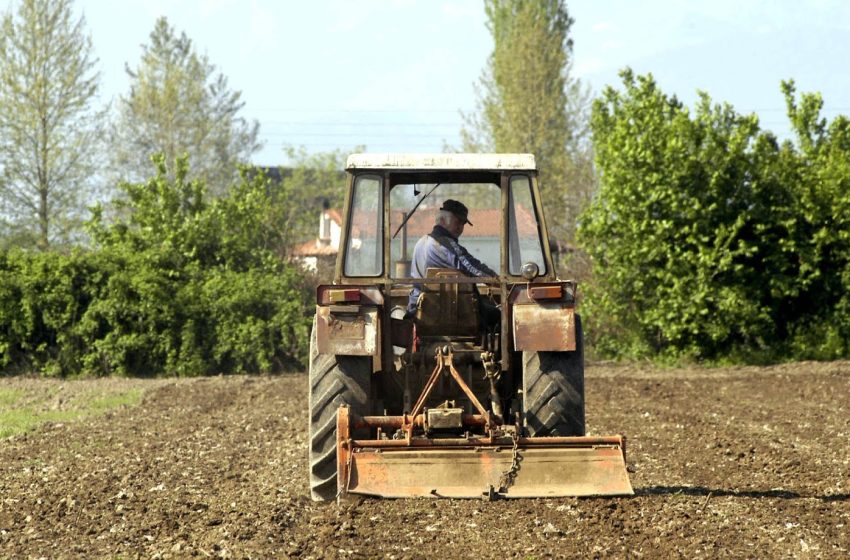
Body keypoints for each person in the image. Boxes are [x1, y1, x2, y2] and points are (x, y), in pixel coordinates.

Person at [406, 200, 499, 327]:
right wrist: (498, 281)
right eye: (457, 222)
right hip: (443, 310)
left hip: (419, 308)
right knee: (498, 315)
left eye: (463, 224)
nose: (460, 228)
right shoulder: (445, 244)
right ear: (443, 221)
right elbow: (473, 268)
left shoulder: (421, 242)